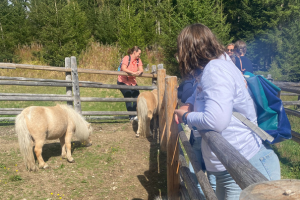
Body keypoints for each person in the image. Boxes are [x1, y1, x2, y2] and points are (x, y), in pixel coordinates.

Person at [174, 23, 280, 200]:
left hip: (244, 162)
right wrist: (189, 104)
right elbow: (198, 93)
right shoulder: (217, 66)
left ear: (189, 50)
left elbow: (216, 121)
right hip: (228, 165)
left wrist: (185, 116)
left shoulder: (215, 69)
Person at [117, 46, 144, 121]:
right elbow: (124, 68)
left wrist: (140, 71)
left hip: (132, 82)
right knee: (128, 95)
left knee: (137, 97)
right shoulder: (126, 58)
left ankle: (134, 115)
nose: (139, 55)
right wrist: (134, 73)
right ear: (134, 52)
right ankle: (131, 116)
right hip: (123, 81)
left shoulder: (138, 60)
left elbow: (141, 69)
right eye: (139, 53)